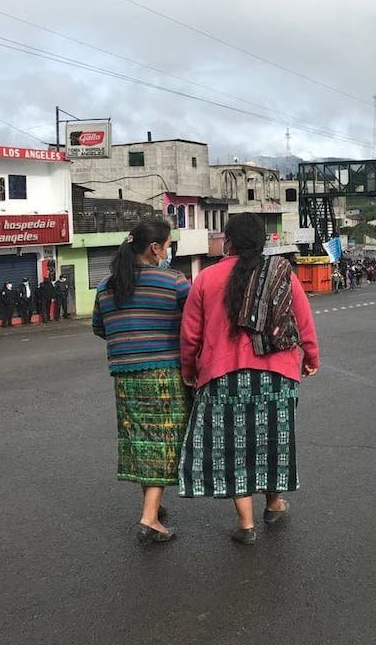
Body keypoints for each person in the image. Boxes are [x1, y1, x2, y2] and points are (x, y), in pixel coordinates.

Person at [178, 213, 320, 545]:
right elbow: (303, 321)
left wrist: (189, 370)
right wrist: (311, 357)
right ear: (262, 241)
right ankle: (273, 504)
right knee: (272, 444)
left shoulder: (206, 278)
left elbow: (190, 335)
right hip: (277, 375)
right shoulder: (282, 273)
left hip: (222, 378)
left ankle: (246, 524)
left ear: (227, 242)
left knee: (233, 448)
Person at [92, 218, 191, 545]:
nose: (168, 251)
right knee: (162, 442)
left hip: (124, 375)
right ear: (154, 248)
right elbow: (194, 323)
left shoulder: (106, 285)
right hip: (163, 372)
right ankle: (149, 519)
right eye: (168, 245)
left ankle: (154, 504)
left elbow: (100, 327)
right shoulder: (174, 281)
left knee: (141, 440)